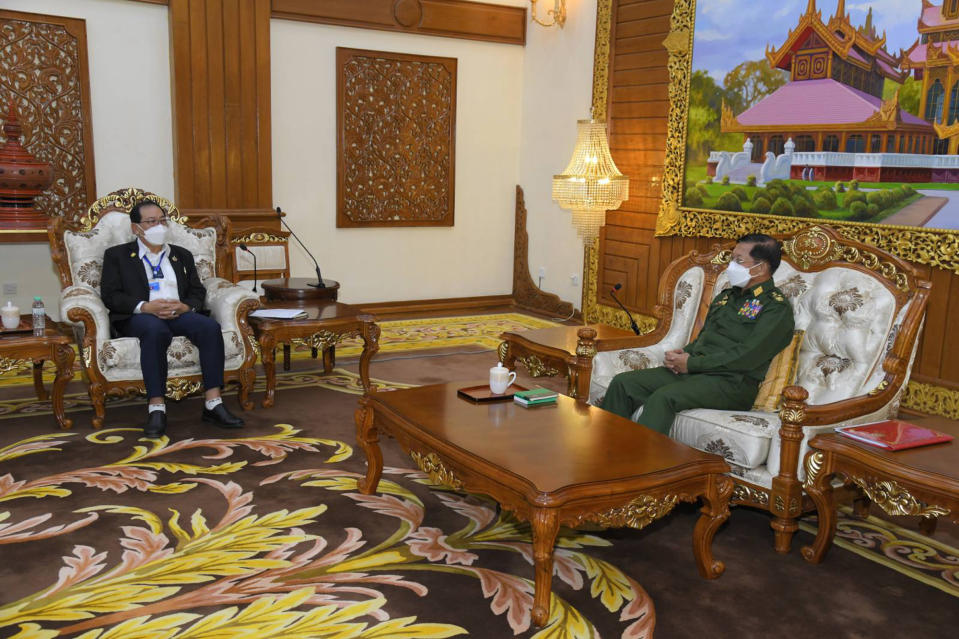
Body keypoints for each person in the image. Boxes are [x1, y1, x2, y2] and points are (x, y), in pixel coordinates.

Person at [600, 233, 795, 434]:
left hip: (732, 383)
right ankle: (605, 454)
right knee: (623, 384)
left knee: (663, 398)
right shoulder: (726, 297)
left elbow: (746, 356)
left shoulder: (775, 308)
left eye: (739, 261)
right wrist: (681, 355)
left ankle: (642, 465)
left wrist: (691, 364)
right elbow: (704, 338)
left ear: (760, 268)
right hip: (697, 372)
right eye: (731, 259)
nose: (730, 266)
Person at [100, 199, 245, 438]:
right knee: (155, 330)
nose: (159, 226)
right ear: (136, 227)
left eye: (162, 220)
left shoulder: (182, 255)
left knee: (209, 327)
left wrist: (185, 306)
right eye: (151, 221)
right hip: (141, 316)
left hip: (178, 313)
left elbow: (198, 291)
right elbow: (111, 295)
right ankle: (156, 407)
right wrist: (145, 306)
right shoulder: (118, 255)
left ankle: (213, 403)